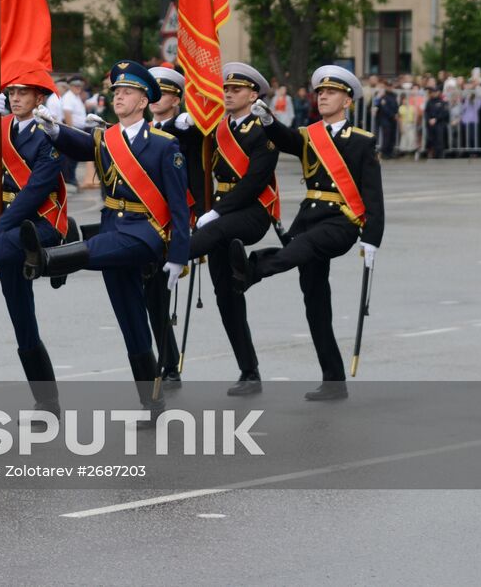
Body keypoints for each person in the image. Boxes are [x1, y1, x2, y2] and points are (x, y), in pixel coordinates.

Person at [21, 62, 191, 419]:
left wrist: (179, 255)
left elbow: (178, 206)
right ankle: (152, 402)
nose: (119, 97)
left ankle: (51, 258)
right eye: (116, 92)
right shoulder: (107, 138)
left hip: (146, 233)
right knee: (131, 321)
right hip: (115, 227)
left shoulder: (164, 145)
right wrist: (54, 130)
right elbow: (82, 146)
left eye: (127, 92)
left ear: (144, 101)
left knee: (97, 248)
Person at [232, 66, 384, 400]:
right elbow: (285, 140)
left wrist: (372, 238)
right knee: (315, 303)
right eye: (320, 92)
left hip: (341, 222)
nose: (323, 96)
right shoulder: (310, 135)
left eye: (331, 93)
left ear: (347, 100)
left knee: (304, 246)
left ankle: (253, 269)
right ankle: (334, 381)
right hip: (309, 218)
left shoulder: (361, 142)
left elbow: (373, 195)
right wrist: (269, 120)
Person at [0, 67, 69, 408]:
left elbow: (36, 190)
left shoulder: (49, 134)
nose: (16, 98)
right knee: (21, 315)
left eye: (24, 93)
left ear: (40, 98)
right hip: (8, 228)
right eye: (12, 93)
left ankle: (56, 253)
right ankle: (47, 400)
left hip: (37, 225)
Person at [175, 63, 280, 396]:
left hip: (251, 211)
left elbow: (255, 181)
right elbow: (190, 159)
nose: (229, 94)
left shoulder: (264, 130)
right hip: (218, 215)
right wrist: (185, 127)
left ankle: (172, 256)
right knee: (226, 296)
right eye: (226, 89)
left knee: (218, 233)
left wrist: (216, 212)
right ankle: (249, 371)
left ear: (253, 95)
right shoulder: (215, 128)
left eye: (237, 90)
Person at [147, 65, 207, 385]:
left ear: (177, 100)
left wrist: (192, 127)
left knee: (158, 295)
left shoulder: (187, 130)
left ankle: (169, 364)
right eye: (152, 93)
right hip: (140, 218)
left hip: (171, 220)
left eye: (164, 93)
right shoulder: (139, 129)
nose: (156, 99)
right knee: (147, 296)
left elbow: (202, 145)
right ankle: (162, 361)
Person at [374, 82, 400, 159]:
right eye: (388, 86)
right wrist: (393, 115)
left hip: (393, 119)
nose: (390, 87)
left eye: (391, 86)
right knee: (387, 136)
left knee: (392, 136)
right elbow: (383, 108)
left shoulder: (394, 95)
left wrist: (396, 114)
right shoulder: (382, 95)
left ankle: (390, 152)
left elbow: (396, 106)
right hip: (385, 119)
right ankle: (384, 152)